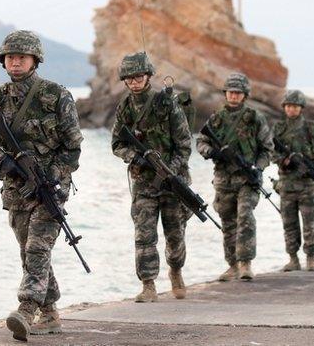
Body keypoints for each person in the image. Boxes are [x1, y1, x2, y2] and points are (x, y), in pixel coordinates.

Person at [0, 30, 83, 341]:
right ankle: (50, 315)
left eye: (21, 56)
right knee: (29, 251)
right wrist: (1, 158)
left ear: (35, 60)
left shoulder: (56, 95)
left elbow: (73, 147)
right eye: (10, 57)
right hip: (15, 188)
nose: (15, 61)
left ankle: (26, 310)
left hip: (49, 188)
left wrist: (56, 178)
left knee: (37, 248)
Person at [110, 52, 192, 302]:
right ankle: (148, 285)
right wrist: (134, 157)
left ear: (148, 76)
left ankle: (176, 272)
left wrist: (170, 170)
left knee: (175, 232)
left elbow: (185, 145)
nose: (134, 82)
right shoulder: (124, 107)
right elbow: (116, 144)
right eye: (130, 78)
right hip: (143, 182)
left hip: (172, 181)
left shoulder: (166, 104)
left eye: (139, 76)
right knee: (144, 234)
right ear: (125, 80)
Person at [196, 73, 273, 281]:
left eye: (238, 93)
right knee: (228, 222)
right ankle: (232, 265)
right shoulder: (217, 118)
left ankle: (246, 263)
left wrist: (258, 168)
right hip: (223, 179)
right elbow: (201, 142)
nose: (234, 96)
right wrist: (213, 153)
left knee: (245, 217)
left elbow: (268, 149)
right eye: (231, 92)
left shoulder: (255, 118)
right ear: (225, 94)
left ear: (244, 95)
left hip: (247, 179)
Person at [272, 90, 314, 271]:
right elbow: (271, 151)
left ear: (301, 108)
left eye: (294, 106)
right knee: (289, 223)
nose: (291, 109)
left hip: (307, 184)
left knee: (309, 222)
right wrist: (283, 161)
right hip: (286, 184)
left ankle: (310, 257)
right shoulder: (278, 128)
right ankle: (293, 258)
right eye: (288, 106)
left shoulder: (311, 127)